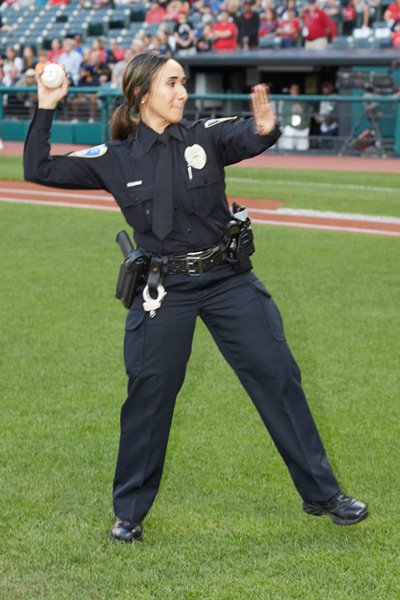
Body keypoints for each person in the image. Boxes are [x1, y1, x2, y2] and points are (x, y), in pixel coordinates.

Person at [24, 53, 368, 543]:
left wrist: (266, 129)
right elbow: (37, 168)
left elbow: (248, 134)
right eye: (172, 83)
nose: (183, 91)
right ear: (144, 94)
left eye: (184, 82)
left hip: (227, 280)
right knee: (151, 394)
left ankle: (324, 494)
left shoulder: (206, 135)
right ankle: (129, 513)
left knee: (277, 375)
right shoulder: (115, 159)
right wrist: (47, 104)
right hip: (165, 289)